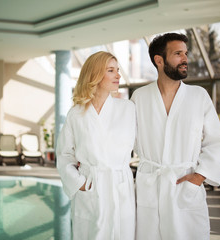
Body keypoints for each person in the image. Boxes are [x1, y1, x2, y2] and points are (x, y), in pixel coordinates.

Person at [131, 33, 220, 240]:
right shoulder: (139, 97)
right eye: (177, 54)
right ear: (159, 60)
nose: (185, 59)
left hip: (184, 184)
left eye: (185, 53)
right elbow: (124, 139)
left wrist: (198, 177)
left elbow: (216, 143)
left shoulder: (198, 96)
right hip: (150, 184)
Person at [56, 51, 136, 240]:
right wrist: (80, 184)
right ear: (95, 75)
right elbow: (65, 155)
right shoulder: (76, 114)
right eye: (111, 70)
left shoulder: (128, 109)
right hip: (91, 187)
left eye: (117, 70)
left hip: (120, 186)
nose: (118, 75)